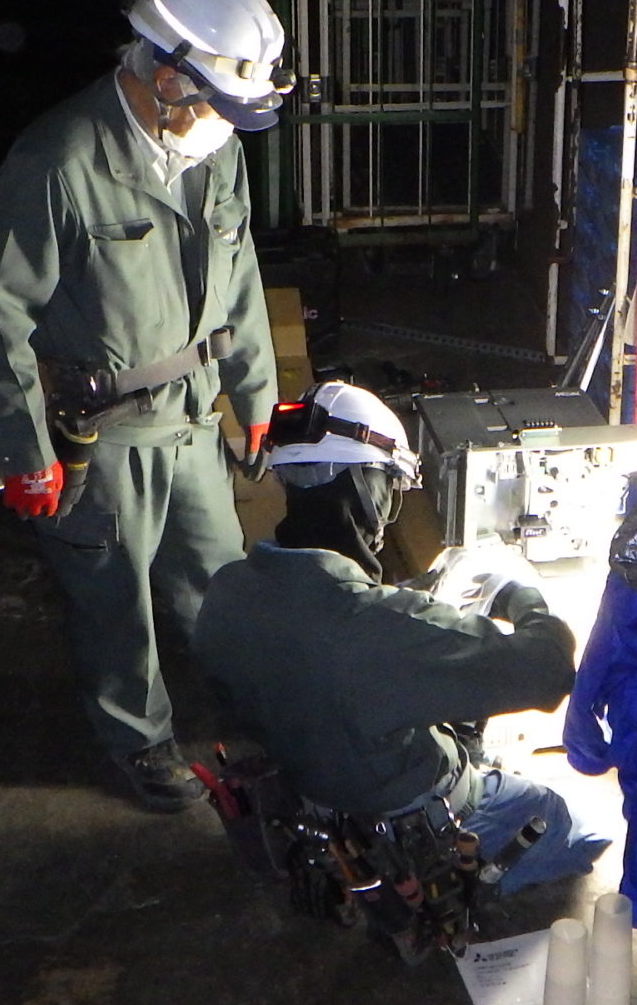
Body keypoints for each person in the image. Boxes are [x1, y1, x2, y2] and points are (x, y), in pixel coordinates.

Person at [0, 0, 287, 812]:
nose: (224, 126)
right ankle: (138, 739)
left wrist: (255, 391)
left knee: (220, 582)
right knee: (114, 602)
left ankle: (255, 709)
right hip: (101, 433)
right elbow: (1, 315)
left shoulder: (213, 152)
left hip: (191, 421)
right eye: (216, 103)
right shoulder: (59, 161)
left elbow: (241, 273)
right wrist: (23, 447)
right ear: (168, 77)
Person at [193, 381, 609, 893]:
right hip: (412, 827)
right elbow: (547, 671)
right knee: (570, 823)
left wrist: (420, 599)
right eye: (391, 487)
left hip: (309, 797)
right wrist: (522, 598)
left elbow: (331, 632)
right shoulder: (379, 627)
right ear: (365, 485)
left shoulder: (227, 592)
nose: (391, 512)